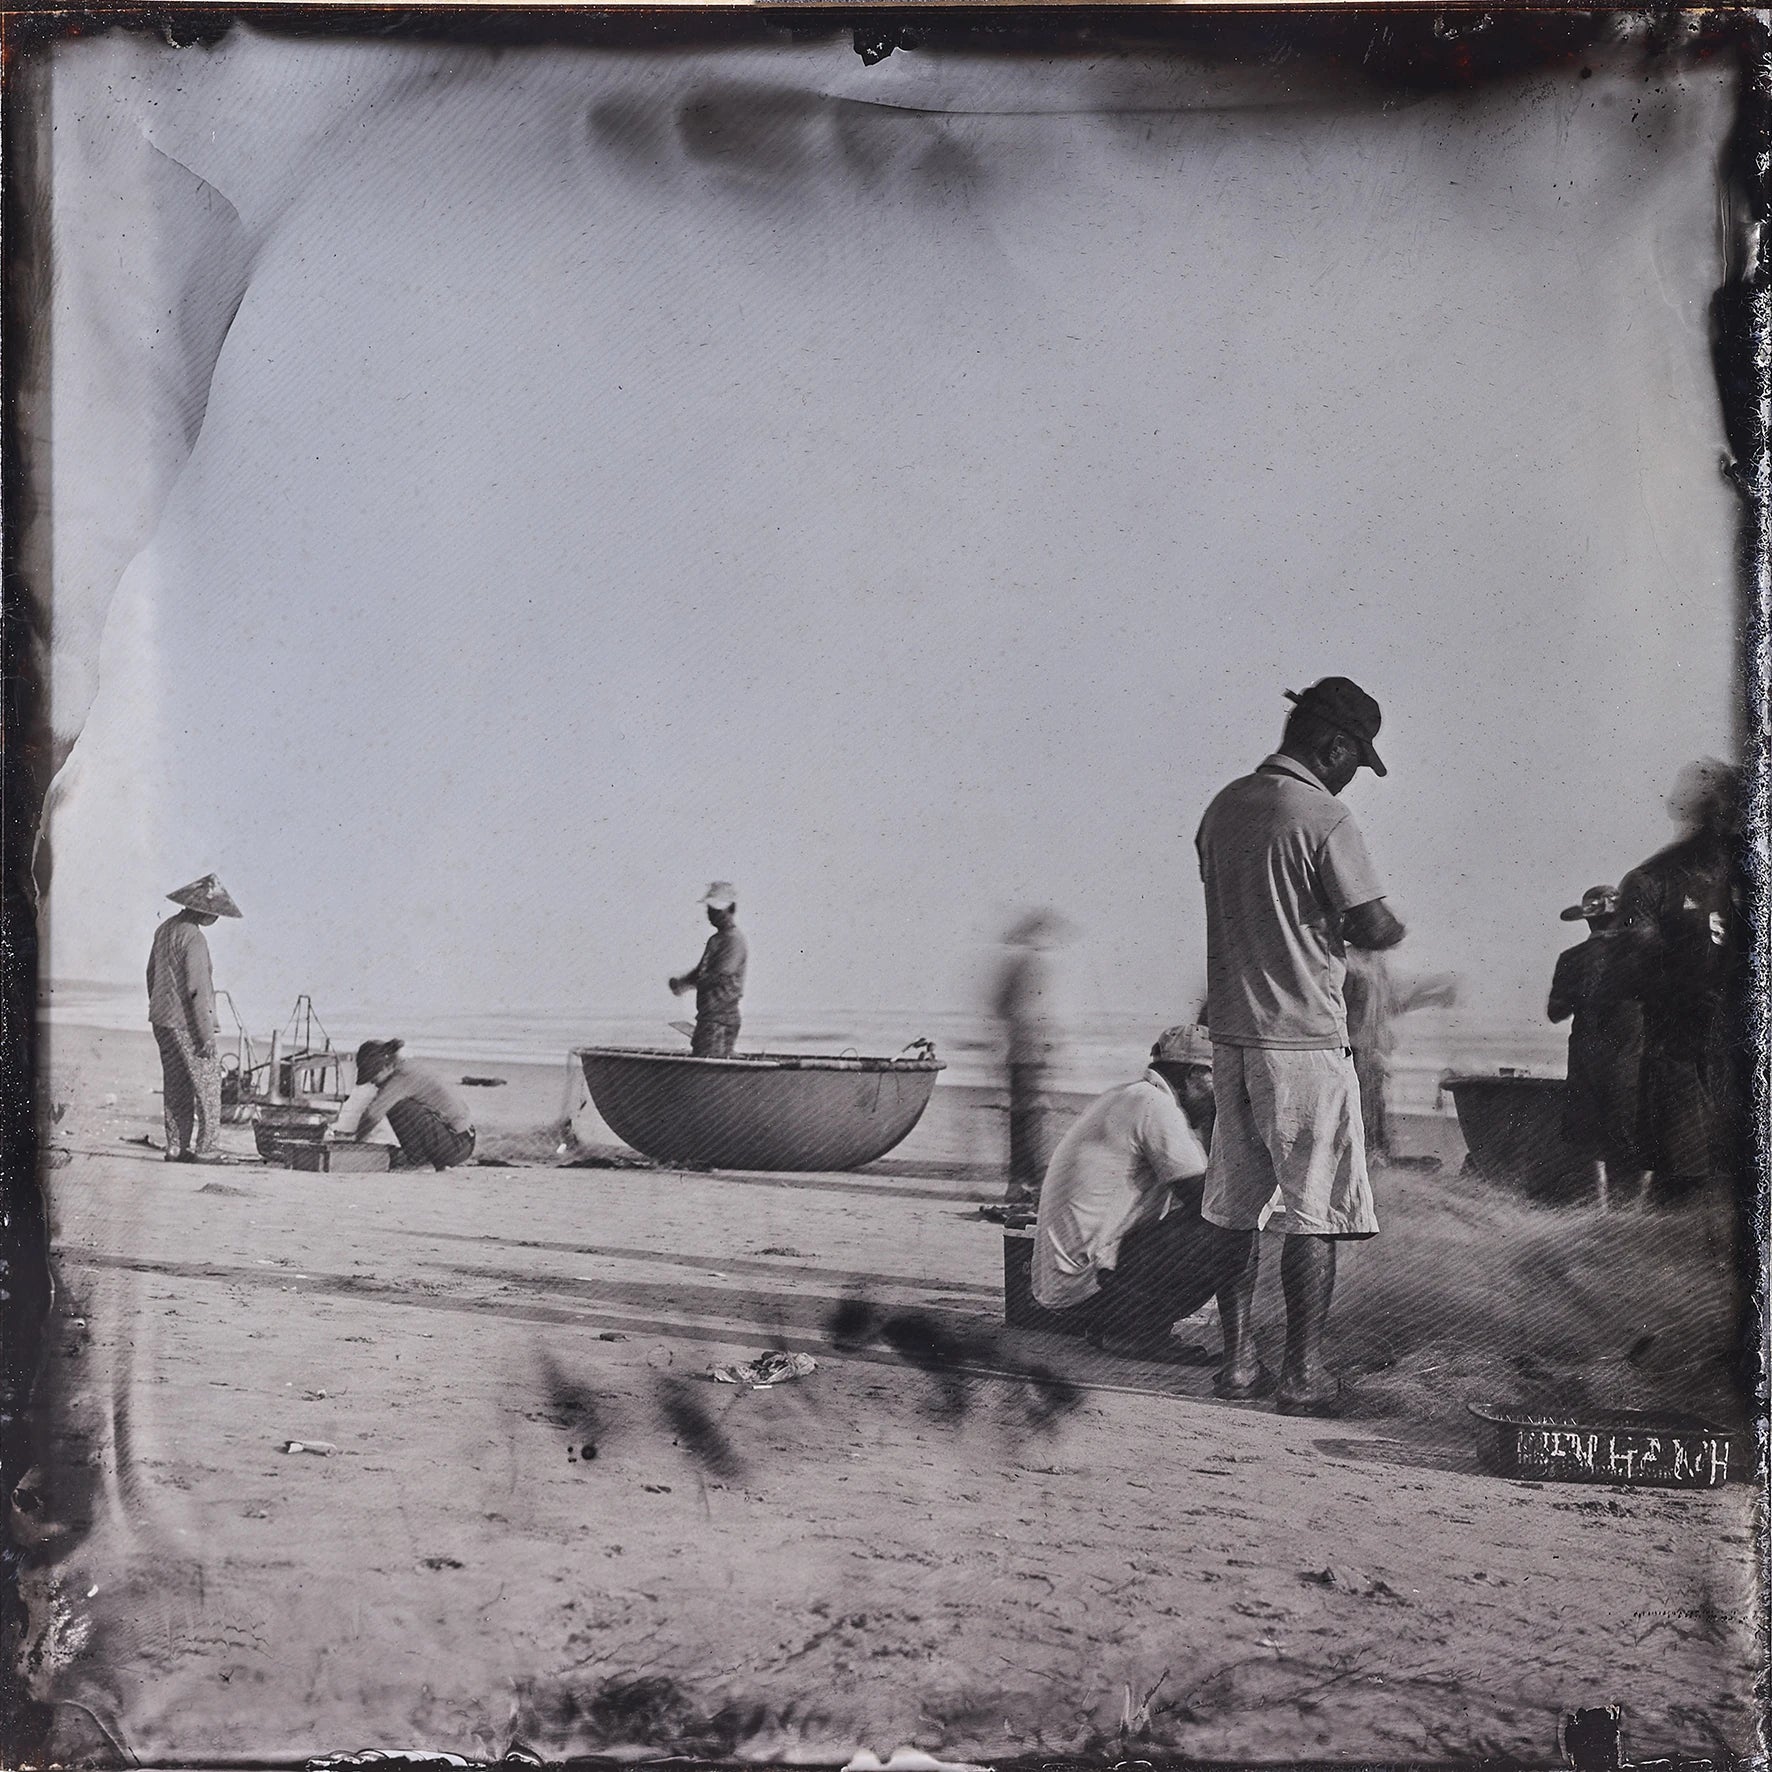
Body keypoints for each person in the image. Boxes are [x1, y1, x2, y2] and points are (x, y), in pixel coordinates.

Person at [1195, 676, 1404, 1416]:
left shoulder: (1223, 807)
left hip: (1232, 1034)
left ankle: (1238, 1364)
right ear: (1333, 745)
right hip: (1303, 1041)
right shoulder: (1323, 815)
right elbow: (1373, 924)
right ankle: (1304, 1374)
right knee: (1314, 1210)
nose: (1355, 776)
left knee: (1234, 1206)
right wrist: (1386, 931)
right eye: (1356, 760)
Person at [1031, 1025, 1269, 1362]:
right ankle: (1137, 1334)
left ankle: (1117, 1328)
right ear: (1194, 1074)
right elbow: (1211, 1203)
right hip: (1087, 1285)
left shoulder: (1128, 1096)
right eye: (1219, 1080)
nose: (1223, 1094)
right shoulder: (1155, 1107)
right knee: (1231, 1229)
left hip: (1065, 1285)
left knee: (1216, 1218)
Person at [1601, 760, 1741, 1210]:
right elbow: (1626, 973)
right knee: (1685, 1181)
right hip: (1684, 1055)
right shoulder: (1651, 880)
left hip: (1734, 1060)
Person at [1546, 884, 1648, 1209]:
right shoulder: (1639, 956)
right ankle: (1635, 1210)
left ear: (1586, 921)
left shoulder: (1571, 959)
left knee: (1589, 1139)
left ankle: (1601, 1208)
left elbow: (1555, 1013)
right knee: (1636, 1132)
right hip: (1629, 1061)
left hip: (1585, 1061)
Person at [145, 874, 242, 1161]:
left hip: (161, 1020)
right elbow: (198, 989)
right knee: (208, 1085)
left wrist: (160, 1006)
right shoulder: (194, 938)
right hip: (187, 1023)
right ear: (205, 911)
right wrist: (206, 1036)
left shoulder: (164, 929)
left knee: (175, 1083)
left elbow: (151, 974)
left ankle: (176, 1146)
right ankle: (207, 1148)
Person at [1342, 949, 1458, 1160]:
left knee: (1373, 1107)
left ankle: (1375, 1156)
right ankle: (1370, 1157)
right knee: (1365, 1108)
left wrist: (1432, 996)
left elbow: (1390, 1006)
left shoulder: (1375, 962)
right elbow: (1343, 1012)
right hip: (1355, 1048)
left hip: (1372, 1049)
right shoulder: (1347, 963)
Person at [991, 909, 1068, 1211]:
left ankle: (1021, 1182)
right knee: (1029, 1117)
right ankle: (1026, 1183)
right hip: (1029, 1051)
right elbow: (1027, 1009)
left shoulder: (1022, 962)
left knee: (1024, 1117)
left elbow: (1003, 1006)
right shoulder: (1034, 962)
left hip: (1023, 1050)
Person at [338, 1040, 476, 1170]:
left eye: (373, 1076)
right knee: (401, 1106)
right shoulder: (408, 1066)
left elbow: (372, 1115)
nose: (372, 1082)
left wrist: (357, 1142)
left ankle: (419, 1162)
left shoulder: (401, 1077)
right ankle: (420, 1159)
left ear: (386, 1065)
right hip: (463, 1139)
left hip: (457, 1145)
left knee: (399, 1107)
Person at [669, 882, 748, 1058]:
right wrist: (682, 983)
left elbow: (719, 976)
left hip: (721, 1020)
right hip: (709, 1018)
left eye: (717, 909)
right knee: (705, 1058)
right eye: (710, 909)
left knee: (709, 1064)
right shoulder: (716, 939)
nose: (711, 914)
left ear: (731, 909)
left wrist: (691, 982)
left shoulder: (733, 941)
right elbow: (701, 972)